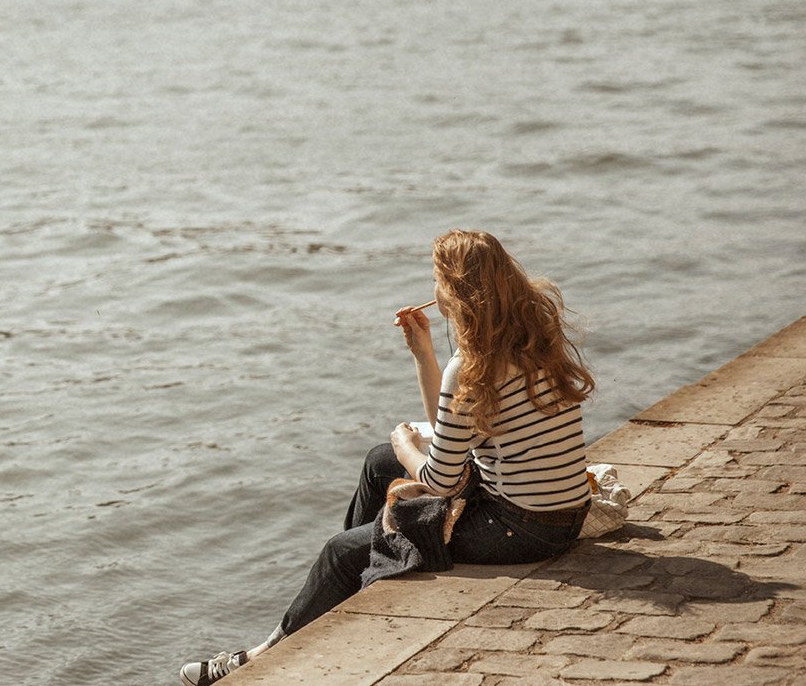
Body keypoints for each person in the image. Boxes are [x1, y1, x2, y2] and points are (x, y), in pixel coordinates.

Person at [180, 230, 595, 686]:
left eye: (438, 278)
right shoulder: (534, 338)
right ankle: (346, 594)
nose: (433, 288)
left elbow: (440, 480)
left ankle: (262, 656)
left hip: (522, 530)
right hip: (562, 513)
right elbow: (454, 428)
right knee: (380, 462)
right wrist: (424, 355)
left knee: (341, 551)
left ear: (455, 291)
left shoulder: (473, 366)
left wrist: (404, 443)